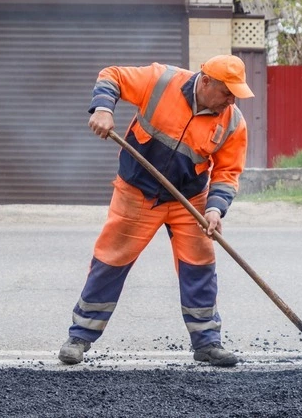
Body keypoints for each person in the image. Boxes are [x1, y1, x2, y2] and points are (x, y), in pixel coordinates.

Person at [58, 55, 254, 366]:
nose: (230, 101)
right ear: (206, 82)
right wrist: (104, 109)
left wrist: (215, 210)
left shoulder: (232, 122)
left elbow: (227, 173)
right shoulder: (161, 81)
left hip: (189, 201)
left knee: (199, 266)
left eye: (234, 95)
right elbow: (112, 76)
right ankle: (80, 336)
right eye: (226, 92)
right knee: (111, 260)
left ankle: (207, 342)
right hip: (137, 192)